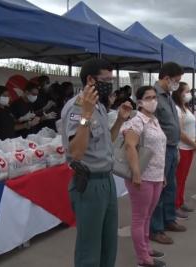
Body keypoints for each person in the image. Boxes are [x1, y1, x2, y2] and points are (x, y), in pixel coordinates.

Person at [61, 58, 132, 267]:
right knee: (89, 248)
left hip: (106, 180)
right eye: (105, 80)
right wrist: (85, 115)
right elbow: (76, 152)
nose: (109, 84)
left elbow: (105, 142)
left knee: (109, 243)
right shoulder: (78, 108)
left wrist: (119, 120)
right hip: (89, 183)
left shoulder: (99, 106)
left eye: (111, 80)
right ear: (90, 79)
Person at [122, 85, 167, 267]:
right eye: (148, 97)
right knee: (140, 217)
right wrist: (136, 173)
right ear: (139, 102)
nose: (153, 100)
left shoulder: (154, 120)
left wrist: (162, 174)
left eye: (154, 97)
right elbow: (129, 146)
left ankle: (146, 247)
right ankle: (143, 258)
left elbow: (159, 149)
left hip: (156, 175)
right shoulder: (137, 121)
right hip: (142, 176)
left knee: (148, 215)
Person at [150, 62, 185, 245]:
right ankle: (156, 229)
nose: (177, 84)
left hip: (171, 147)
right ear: (166, 78)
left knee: (170, 185)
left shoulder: (168, 96)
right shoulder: (153, 96)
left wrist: (176, 147)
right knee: (158, 190)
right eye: (176, 81)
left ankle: (168, 219)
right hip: (159, 150)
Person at [172, 82, 196, 219]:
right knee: (178, 178)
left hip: (189, 147)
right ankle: (175, 205)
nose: (189, 94)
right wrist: (193, 144)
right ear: (179, 93)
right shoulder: (177, 109)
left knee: (183, 178)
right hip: (182, 147)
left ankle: (180, 201)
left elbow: (193, 126)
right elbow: (180, 132)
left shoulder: (185, 108)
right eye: (187, 91)